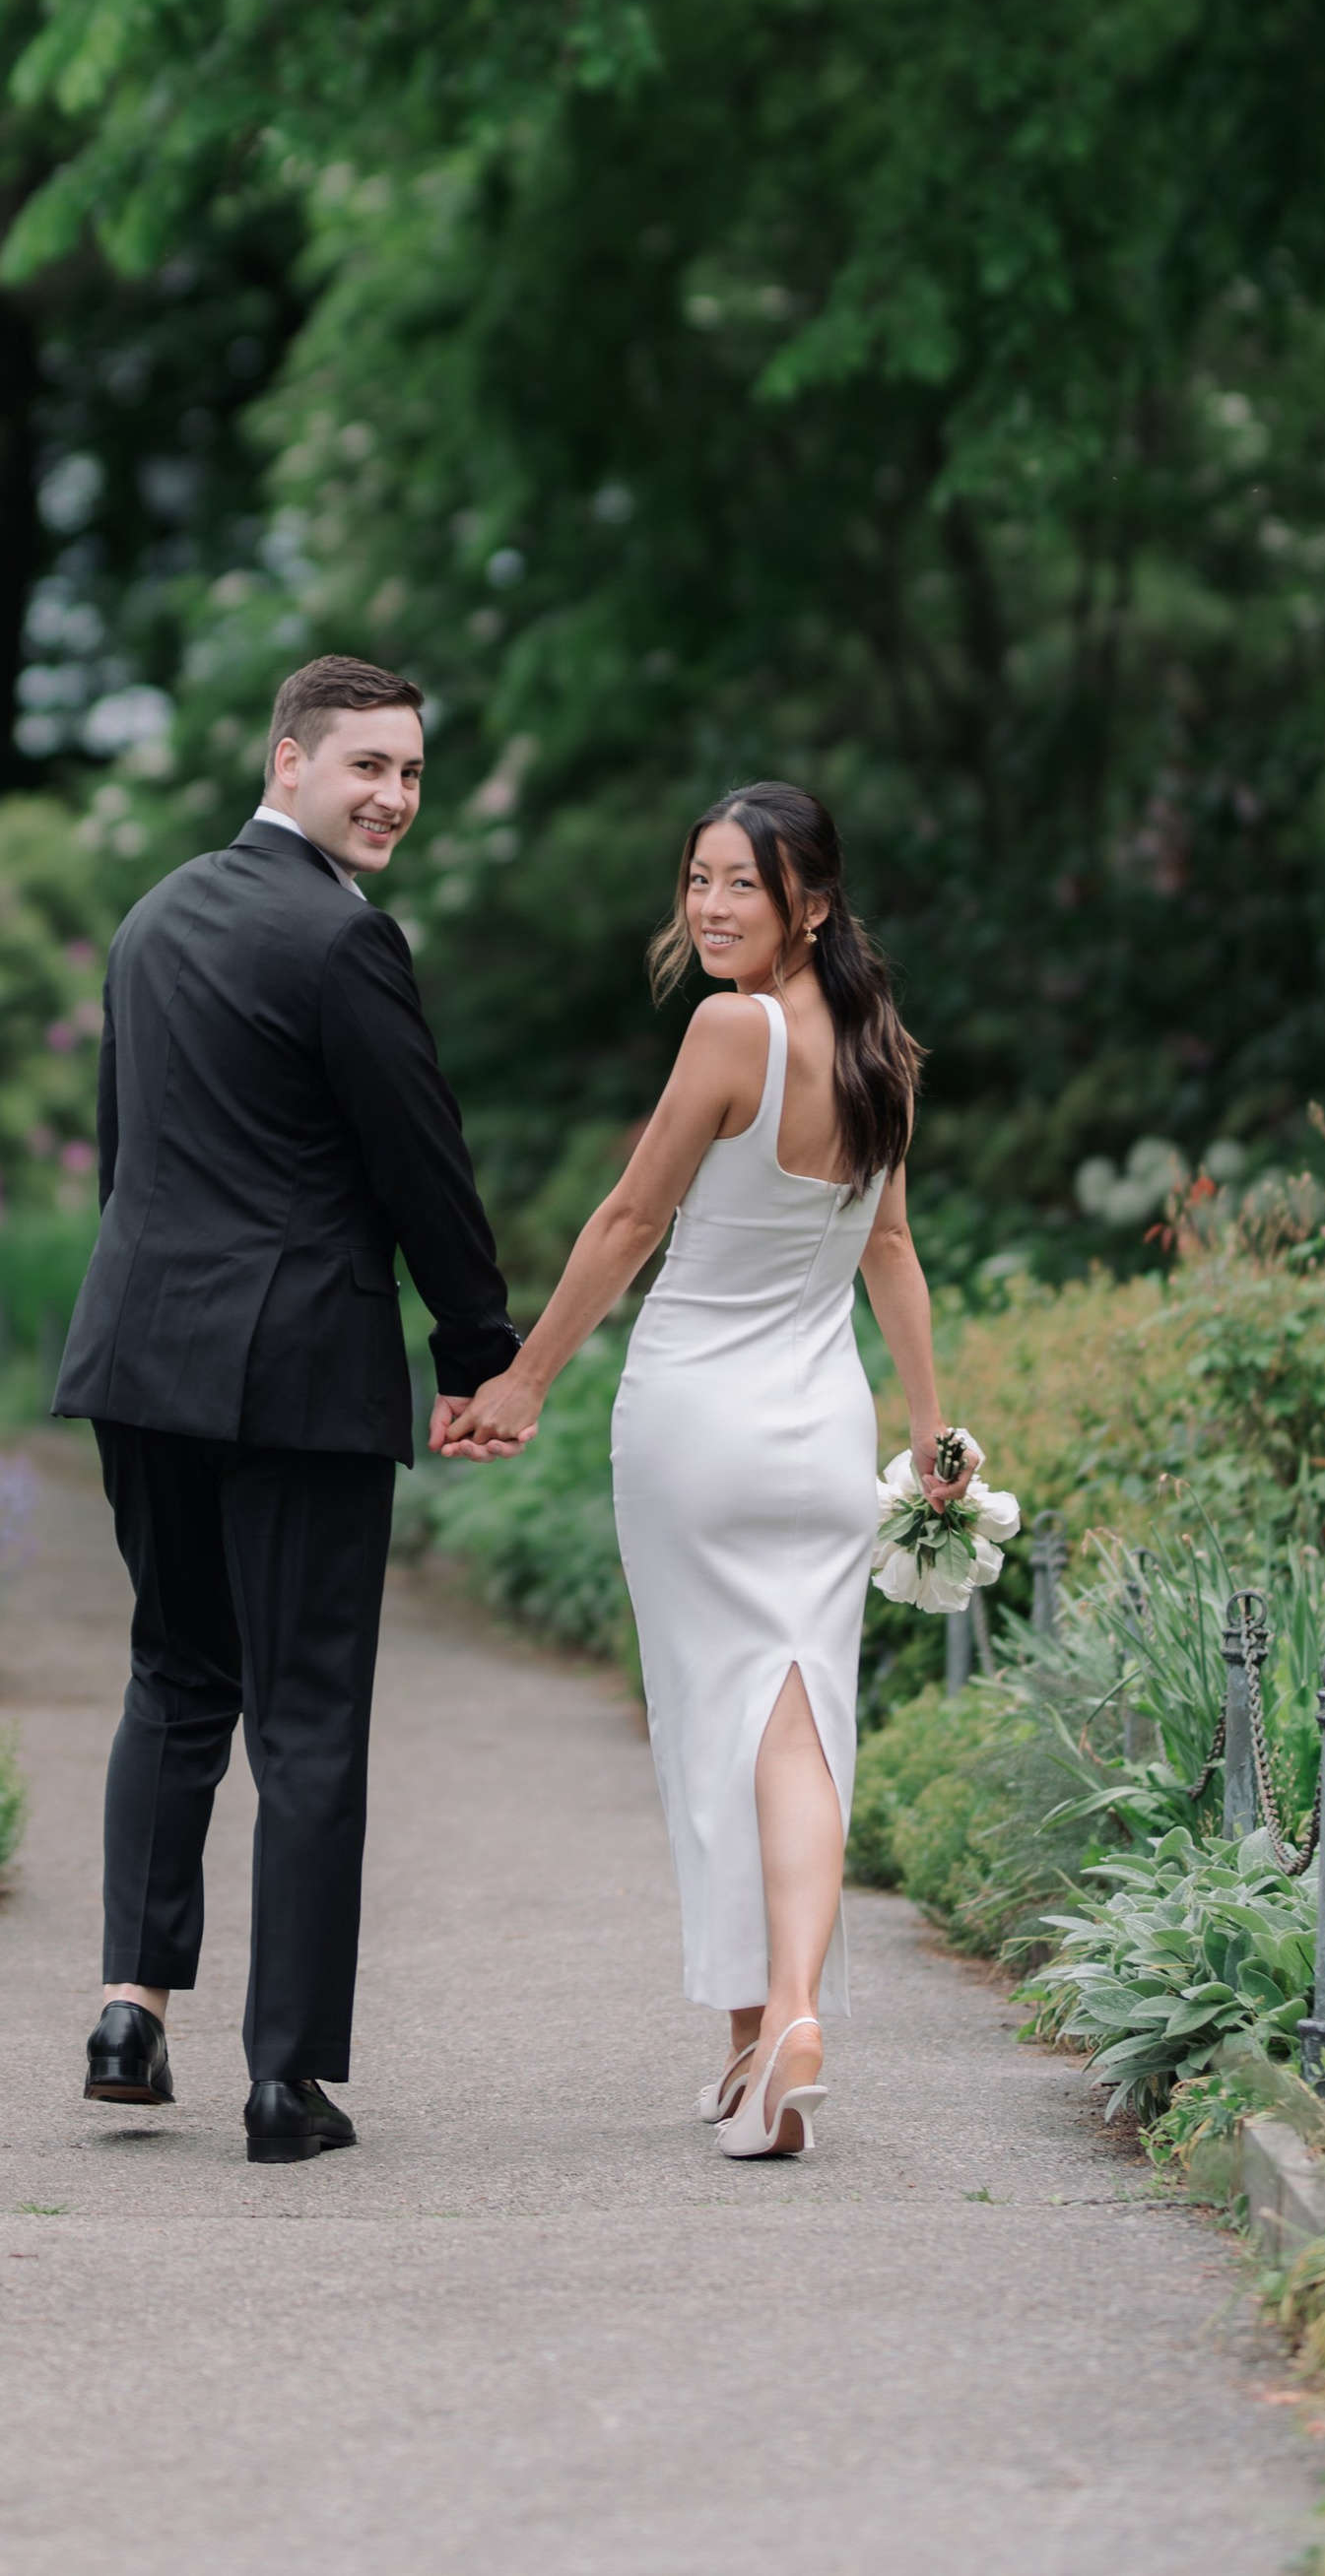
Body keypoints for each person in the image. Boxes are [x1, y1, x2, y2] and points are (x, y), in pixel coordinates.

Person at [437, 783, 971, 2160]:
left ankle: (767, 2028)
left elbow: (629, 1219)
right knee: (797, 1726)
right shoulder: (882, 1051)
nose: (714, 907)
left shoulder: (731, 1031)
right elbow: (890, 1252)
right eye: (699, 880)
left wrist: (524, 1380)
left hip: (694, 1429)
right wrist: (927, 1428)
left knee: (713, 1734)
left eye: (745, 884)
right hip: (819, 1435)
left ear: (812, 905)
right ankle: (771, 2032)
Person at [52, 653, 520, 2162]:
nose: (392, 798)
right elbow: (421, 1166)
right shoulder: (343, 939)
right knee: (307, 1715)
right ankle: (284, 2080)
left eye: (410, 774)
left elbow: (122, 1154)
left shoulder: (151, 919)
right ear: (287, 764)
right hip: (298, 1373)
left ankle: (129, 2007)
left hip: (142, 1354)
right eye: (366, 766)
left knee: (176, 1679)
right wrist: (475, 1347)